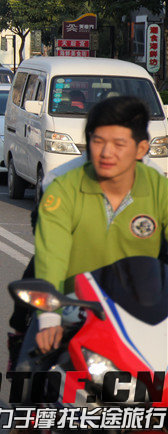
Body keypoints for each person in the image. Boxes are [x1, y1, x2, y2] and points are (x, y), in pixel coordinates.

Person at [11, 96, 168, 380]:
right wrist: (49, 319)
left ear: (141, 148)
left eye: (119, 144)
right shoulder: (61, 188)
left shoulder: (159, 187)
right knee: (28, 373)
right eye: (98, 141)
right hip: (75, 305)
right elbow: (52, 257)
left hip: (145, 310)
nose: (107, 152)